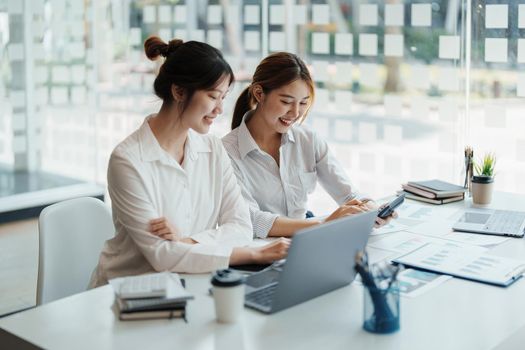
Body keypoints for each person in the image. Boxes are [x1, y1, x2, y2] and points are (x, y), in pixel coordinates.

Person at [90, 37, 289, 288]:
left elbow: (241, 227)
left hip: (189, 284)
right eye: (213, 96)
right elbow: (162, 256)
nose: (219, 109)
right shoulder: (128, 160)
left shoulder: (213, 149)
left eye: (224, 98)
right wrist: (254, 254)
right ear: (179, 91)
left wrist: (185, 242)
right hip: (126, 293)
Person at [222, 52, 395, 239]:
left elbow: (348, 194)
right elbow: (253, 220)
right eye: (286, 102)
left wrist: (369, 208)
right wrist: (325, 223)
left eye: (303, 103)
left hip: (306, 239)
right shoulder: (226, 152)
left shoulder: (307, 139)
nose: (295, 113)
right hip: (259, 249)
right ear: (259, 93)